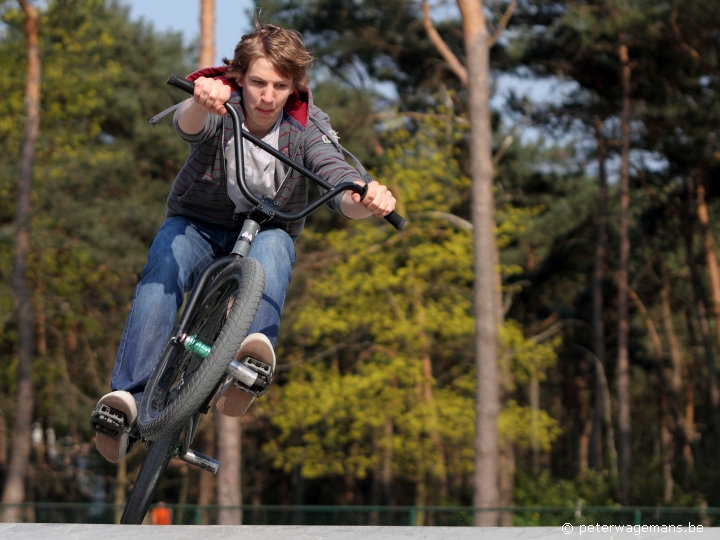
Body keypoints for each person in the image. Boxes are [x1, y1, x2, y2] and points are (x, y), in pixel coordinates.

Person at [90, 24, 397, 463]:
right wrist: (202, 101)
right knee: (163, 265)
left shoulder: (308, 127)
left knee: (276, 246)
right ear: (239, 77)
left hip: (266, 229)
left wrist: (366, 198)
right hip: (197, 224)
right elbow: (188, 125)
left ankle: (250, 364)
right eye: (257, 83)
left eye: (279, 86)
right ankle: (129, 397)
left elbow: (337, 180)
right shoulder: (221, 102)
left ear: (294, 88)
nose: (267, 97)